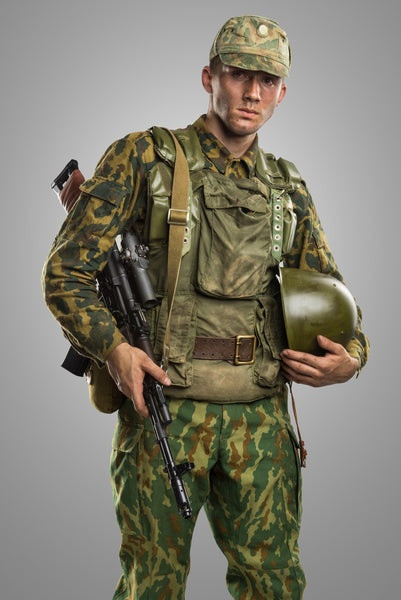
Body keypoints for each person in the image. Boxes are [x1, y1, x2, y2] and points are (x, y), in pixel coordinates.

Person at [42, 15, 369, 600]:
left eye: (267, 80)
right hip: (164, 410)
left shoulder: (287, 188)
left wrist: (352, 358)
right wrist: (115, 351)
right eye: (239, 74)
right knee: (152, 586)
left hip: (262, 420)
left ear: (283, 93)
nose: (252, 93)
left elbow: (333, 296)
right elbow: (65, 273)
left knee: (275, 585)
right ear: (208, 77)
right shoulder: (144, 158)